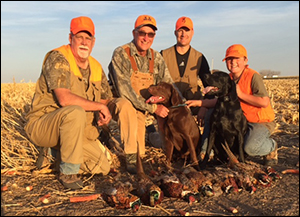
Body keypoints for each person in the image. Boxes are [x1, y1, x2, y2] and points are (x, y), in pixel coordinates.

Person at [24, 16, 116, 190]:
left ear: (94, 41)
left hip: (75, 133)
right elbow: (65, 100)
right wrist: (100, 107)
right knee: (75, 111)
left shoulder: (96, 67)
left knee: (102, 166)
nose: (84, 42)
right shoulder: (58, 58)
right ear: (70, 38)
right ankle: (68, 172)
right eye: (79, 37)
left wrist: (103, 115)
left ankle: (52, 155)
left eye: (88, 38)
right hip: (44, 126)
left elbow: (104, 98)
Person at [108, 14, 182, 174]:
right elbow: (124, 91)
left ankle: (169, 147)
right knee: (126, 106)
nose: (146, 38)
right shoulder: (121, 53)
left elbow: (169, 84)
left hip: (144, 109)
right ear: (134, 33)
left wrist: (182, 105)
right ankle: (130, 158)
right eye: (142, 33)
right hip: (121, 105)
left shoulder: (157, 57)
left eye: (151, 34)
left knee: (141, 151)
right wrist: (155, 109)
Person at [185, 44, 278, 166]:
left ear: (245, 60)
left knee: (250, 147)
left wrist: (240, 94)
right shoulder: (228, 78)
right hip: (241, 121)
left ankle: (271, 147)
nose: (233, 62)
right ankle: (206, 153)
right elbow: (220, 101)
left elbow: (264, 101)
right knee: (211, 113)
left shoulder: (253, 76)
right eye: (229, 59)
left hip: (259, 122)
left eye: (237, 59)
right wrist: (201, 104)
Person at [160, 16, 211, 116]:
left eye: (187, 30)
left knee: (214, 112)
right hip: (169, 108)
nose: (183, 34)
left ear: (192, 32)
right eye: (180, 30)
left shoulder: (199, 58)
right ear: (175, 33)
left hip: (193, 107)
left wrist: (204, 106)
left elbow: (209, 87)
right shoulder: (163, 55)